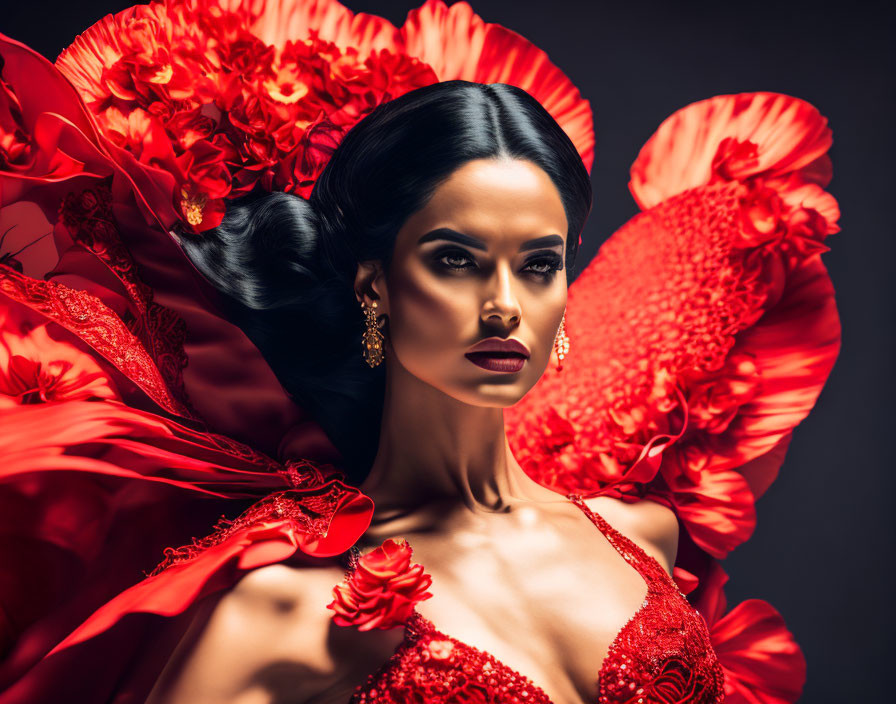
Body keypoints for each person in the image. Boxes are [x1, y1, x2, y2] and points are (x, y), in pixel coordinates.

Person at [0, 1, 840, 702]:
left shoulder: (644, 536)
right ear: (373, 284)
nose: (505, 305)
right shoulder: (287, 612)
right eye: (455, 260)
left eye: (539, 265)